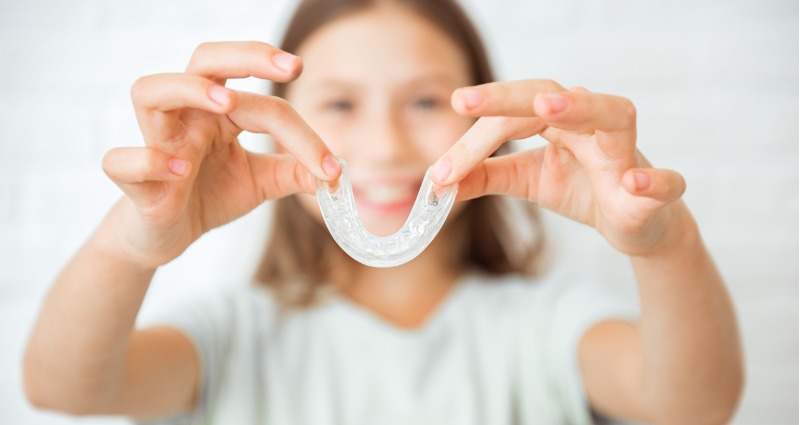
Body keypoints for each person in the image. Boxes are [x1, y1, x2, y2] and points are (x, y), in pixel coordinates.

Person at [23, 0, 744, 423]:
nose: (385, 142)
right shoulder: (230, 332)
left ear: (484, 118)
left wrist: (664, 243)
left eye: (426, 101)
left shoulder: (545, 325)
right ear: (276, 126)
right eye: (339, 104)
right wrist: (134, 241)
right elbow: (62, 387)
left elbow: (694, 405)